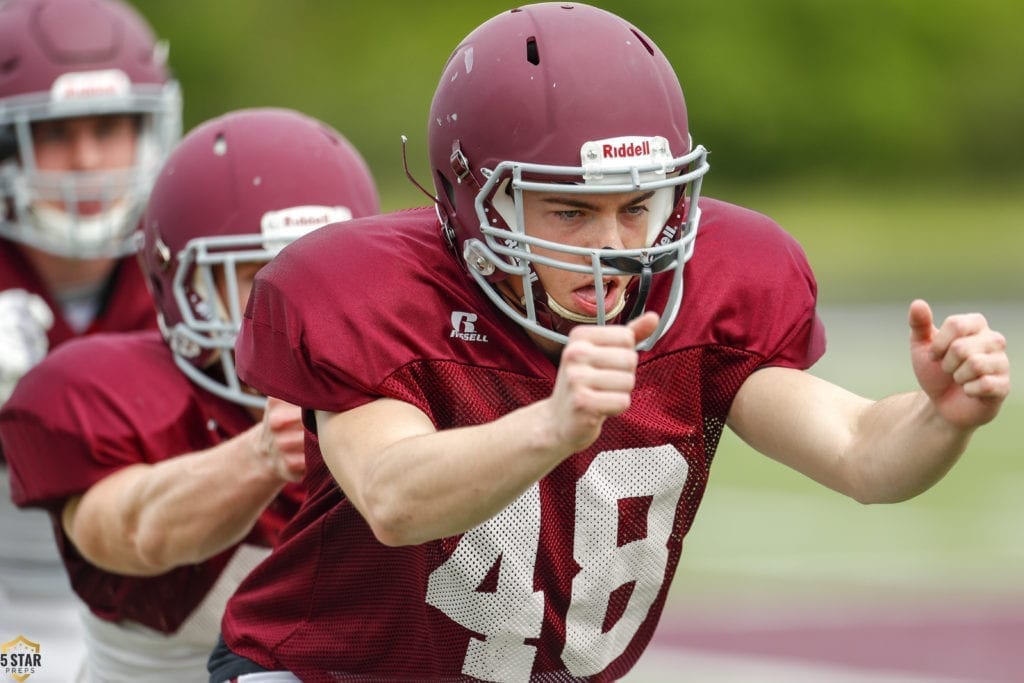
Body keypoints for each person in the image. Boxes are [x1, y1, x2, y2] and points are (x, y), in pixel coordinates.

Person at [208, 4, 1011, 682]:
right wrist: (552, 424)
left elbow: (861, 452)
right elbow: (393, 496)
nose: (614, 246)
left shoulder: (706, 283)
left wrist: (940, 418)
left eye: (638, 205)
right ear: (475, 202)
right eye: (569, 211)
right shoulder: (376, 293)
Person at [0, 107, 381, 680]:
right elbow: (129, 531)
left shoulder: (415, 375)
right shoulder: (114, 392)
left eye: (328, 269)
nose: (306, 305)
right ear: (192, 292)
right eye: (265, 276)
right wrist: (261, 455)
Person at [0, 0, 181, 673]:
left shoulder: (188, 258)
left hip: (157, 600)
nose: (86, 161)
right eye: (56, 132)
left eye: (109, 128)